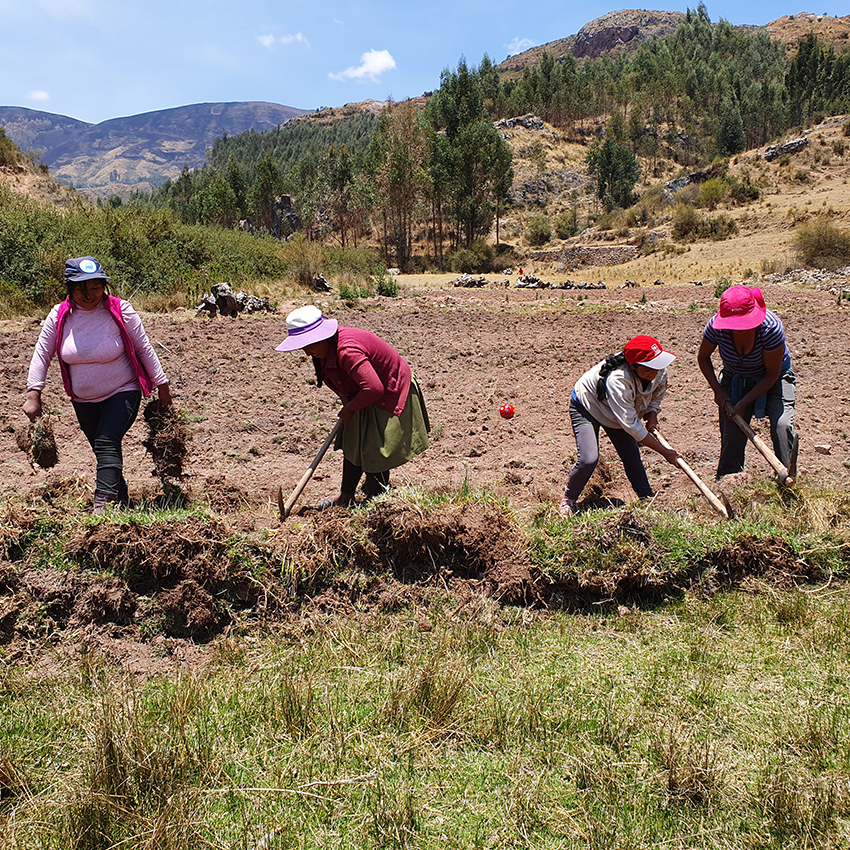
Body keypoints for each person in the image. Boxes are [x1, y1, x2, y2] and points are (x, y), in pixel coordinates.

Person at [24, 256, 172, 512]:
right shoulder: (59, 316)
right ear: (70, 289)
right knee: (103, 449)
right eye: (82, 289)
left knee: (106, 440)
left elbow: (144, 348)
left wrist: (163, 386)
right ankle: (121, 500)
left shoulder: (121, 310)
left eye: (95, 287)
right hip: (83, 400)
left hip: (123, 390)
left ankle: (101, 505)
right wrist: (33, 392)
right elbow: (42, 353)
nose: (90, 294)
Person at [276, 305, 429, 507]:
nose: (306, 352)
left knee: (376, 447)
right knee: (353, 443)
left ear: (322, 336)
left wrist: (350, 408)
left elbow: (374, 389)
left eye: (308, 344)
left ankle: (376, 497)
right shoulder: (323, 352)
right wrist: (346, 400)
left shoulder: (347, 350)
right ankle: (346, 497)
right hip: (364, 392)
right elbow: (338, 380)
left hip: (389, 389)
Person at [559, 335, 681, 517]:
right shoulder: (618, 380)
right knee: (589, 458)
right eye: (648, 368)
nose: (653, 372)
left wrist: (652, 415)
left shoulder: (658, 370)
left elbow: (656, 396)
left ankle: (647, 500)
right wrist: (665, 452)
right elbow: (633, 428)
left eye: (656, 365)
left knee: (631, 455)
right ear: (633, 366)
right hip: (587, 406)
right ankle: (568, 500)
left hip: (616, 412)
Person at [697, 285, 795, 479]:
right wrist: (718, 390)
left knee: (781, 426)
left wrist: (744, 402)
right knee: (731, 434)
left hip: (774, 379)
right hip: (735, 379)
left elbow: (772, 374)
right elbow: (703, 357)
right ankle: (729, 483)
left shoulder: (770, 328)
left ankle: (788, 481)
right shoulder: (716, 327)